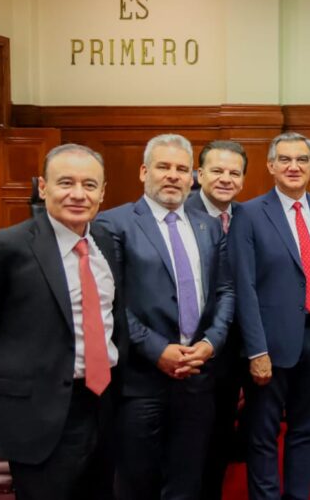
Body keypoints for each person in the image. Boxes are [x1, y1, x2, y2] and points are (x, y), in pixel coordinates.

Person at [0, 144, 127, 500]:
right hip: (38, 415)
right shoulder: (6, 248)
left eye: (89, 185)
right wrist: (7, 382)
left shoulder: (106, 241)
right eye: (66, 183)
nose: (78, 194)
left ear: (103, 193)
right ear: (43, 188)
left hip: (102, 406)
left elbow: (111, 318)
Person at [95, 134, 235, 500]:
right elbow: (111, 302)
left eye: (181, 169)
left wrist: (210, 343)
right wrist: (158, 350)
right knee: (136, 484)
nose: (173, 176)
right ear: (144, 171)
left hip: (197, 377)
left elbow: (225, 291)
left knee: (188, 482)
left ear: (192, 177)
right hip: (141, 382)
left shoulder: (207, 224)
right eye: (163, 167)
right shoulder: (114, 224)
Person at [231, 132, 310, 500]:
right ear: (271, 166)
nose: (293, 166)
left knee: (305, 431)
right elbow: (244, 287)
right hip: (269, 344)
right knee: (262, 435)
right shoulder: (247, 213)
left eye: (301, 160)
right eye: (285, 159)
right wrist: (255, 350)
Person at [185, 139, 250, 500]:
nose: (225, 178)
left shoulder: (246, 216)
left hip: (234, 349)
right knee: (188, 442)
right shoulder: (179, 213)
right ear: (200, 174)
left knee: (221, 437)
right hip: (188, 350)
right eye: (217, 170)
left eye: (234, 172)